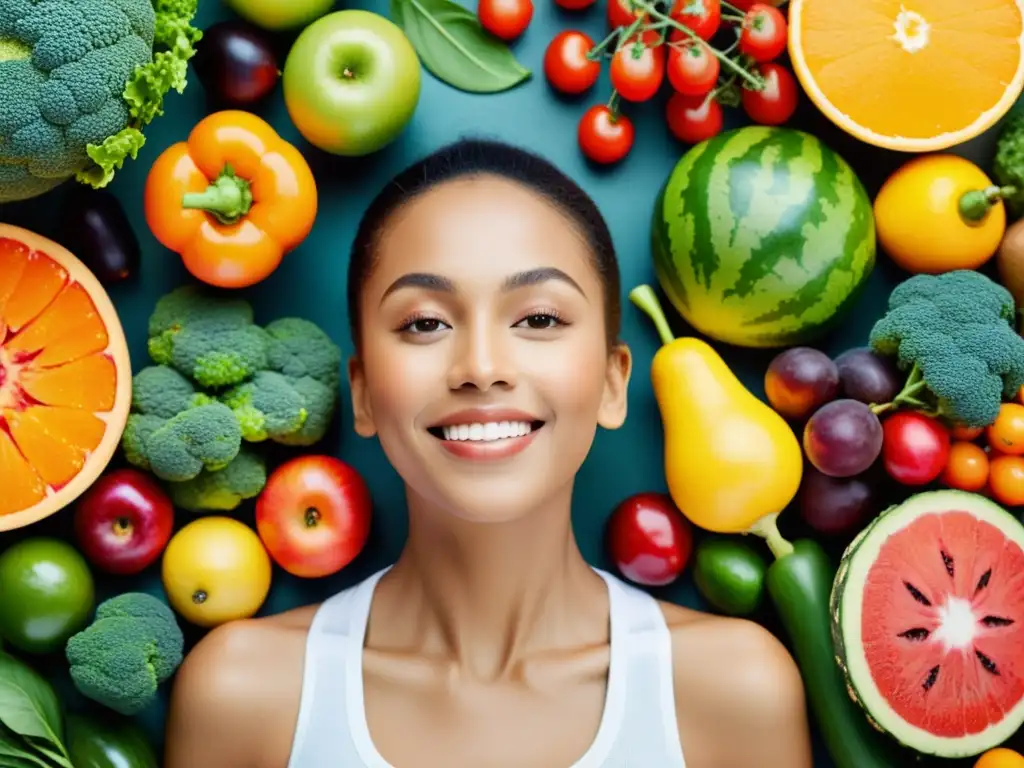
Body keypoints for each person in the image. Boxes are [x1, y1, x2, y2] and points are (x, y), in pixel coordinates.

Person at [163, 138, 813, 768]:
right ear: (360, 394)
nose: (481, 366)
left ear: (614, 382)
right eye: (425, 323)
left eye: (538, 319)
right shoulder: (242, 695)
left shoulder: (735, 691)